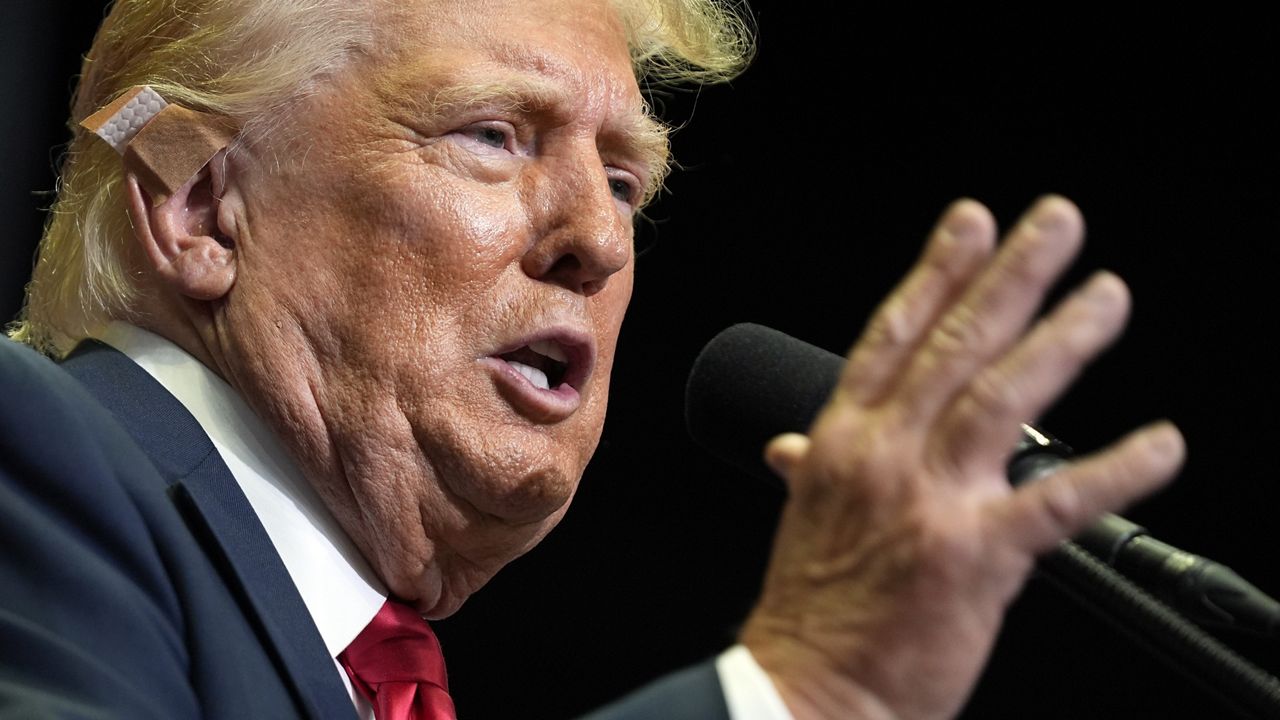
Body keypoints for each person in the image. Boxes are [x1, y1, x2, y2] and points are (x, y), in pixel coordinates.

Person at [0, 0, 1186, 718]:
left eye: (624, 181)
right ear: (201, 205)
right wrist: (793, 693)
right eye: (492, 136)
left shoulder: (365, 669)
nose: (601, 240)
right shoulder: (27, 456)